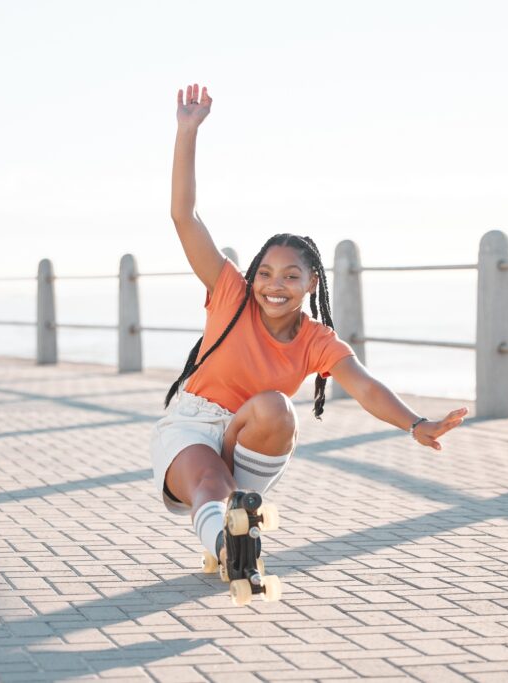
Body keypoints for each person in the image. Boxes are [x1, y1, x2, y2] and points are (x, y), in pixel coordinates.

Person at [151, 83, 468, 584]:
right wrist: (186, 131)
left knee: (277, 404)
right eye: (267, 273)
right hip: (193, 425)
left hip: (250, 433)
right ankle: (233, 544)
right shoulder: (230, 292)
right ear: (251, 274)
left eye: (291, 276)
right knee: (211, 484)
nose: (275, 286)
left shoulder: (316, 338)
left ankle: (237, 525)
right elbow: (182, 216)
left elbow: (363, 385)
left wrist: (414, 423)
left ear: (311, 283)